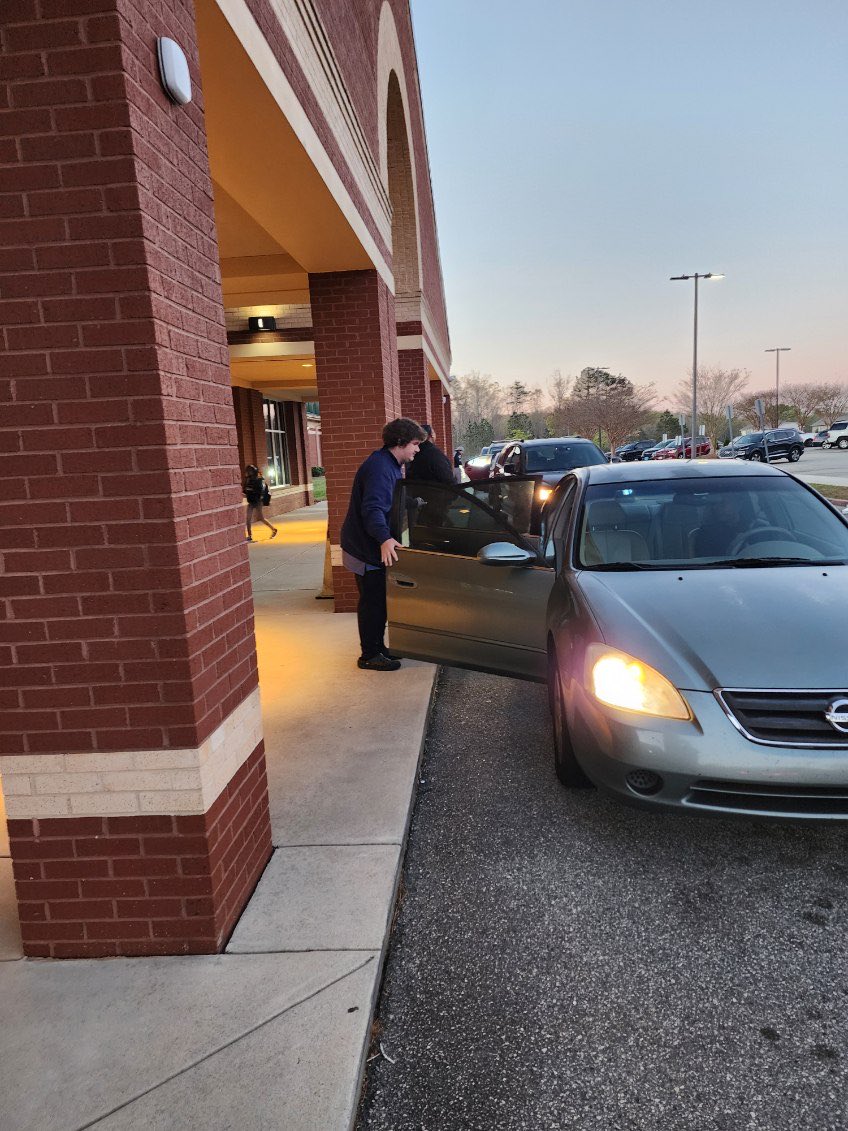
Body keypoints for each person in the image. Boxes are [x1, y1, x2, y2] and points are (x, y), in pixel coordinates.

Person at [341, 417, 426, 671]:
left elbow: (390, 497)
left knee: (379, 600)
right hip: (366, 549)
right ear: (399, 442)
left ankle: (378, 647)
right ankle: (369, 655)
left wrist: (412, 503)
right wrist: (385, 538)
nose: (417, 449)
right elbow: (373, 508)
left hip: (372, 546)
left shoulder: (389, 464)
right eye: (414, 444)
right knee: (372, 601)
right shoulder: (380, 467)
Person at [242, 464, 278, 542]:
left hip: (257, 502)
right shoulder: (248, 480)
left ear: (252, 471)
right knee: (248, 519)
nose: (247, 473)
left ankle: (273, 529)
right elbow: (245, 491)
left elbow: (259, 492)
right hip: (251, 502)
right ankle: (250, 535)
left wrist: (250, 493)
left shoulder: (258, 479)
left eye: (249, 471)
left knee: (261, 518)